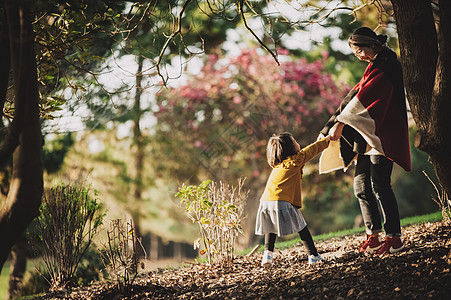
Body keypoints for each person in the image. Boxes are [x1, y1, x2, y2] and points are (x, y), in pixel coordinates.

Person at [318, 27, 411, 255]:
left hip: (382, 132)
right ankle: (374, 235)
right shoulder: (373, 65)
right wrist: (329, 126)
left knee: (380, 185)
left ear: (371, 45)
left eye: (359, 50)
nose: (357, 55)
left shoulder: (387, 62)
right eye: (354, 52)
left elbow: (366, 96)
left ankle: (394, 238)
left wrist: (341, 123)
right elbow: (353, 95)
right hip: (367, 133)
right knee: (361, 186)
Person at [255, 132, 330, 267]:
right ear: (290, 147)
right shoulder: (295, 160)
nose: (297, 142)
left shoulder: (278, 166)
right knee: (302, 227)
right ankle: (313, 255)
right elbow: (311, 151)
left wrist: (320, 141)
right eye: (294, 140)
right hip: (281, 200)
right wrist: (326, 141)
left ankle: (267, 255)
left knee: (270, 228)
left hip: (266, 201)